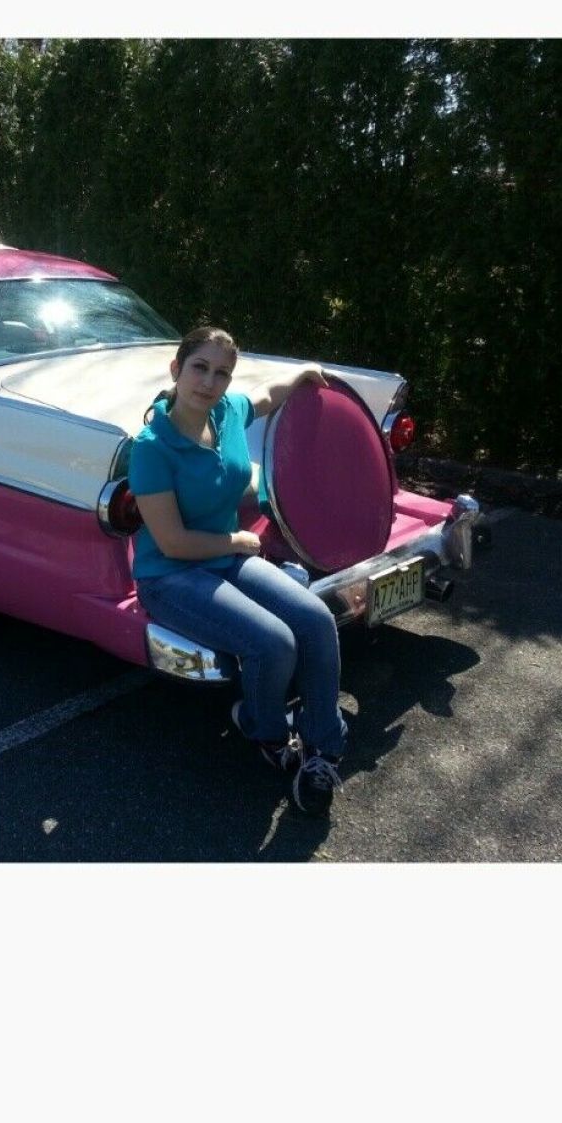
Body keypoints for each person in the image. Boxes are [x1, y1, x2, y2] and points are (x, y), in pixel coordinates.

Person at [129, 324, 349, 815]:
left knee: (315, 620)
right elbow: (171, 541)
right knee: (274, 644)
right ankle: (265, 730)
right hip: (170, 575)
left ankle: (322, 745)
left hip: (225, 558)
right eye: (199, 368)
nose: (209, 382)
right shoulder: (151, 447)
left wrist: (301, 377)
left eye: (221, 373)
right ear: (176, 369)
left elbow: (266, 397)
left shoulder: (227, 412)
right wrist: (237, 540)